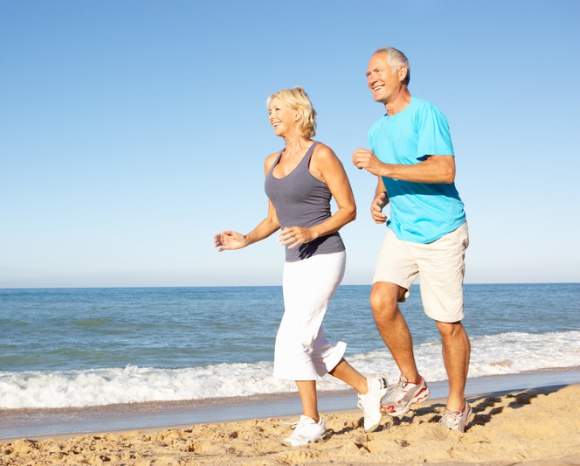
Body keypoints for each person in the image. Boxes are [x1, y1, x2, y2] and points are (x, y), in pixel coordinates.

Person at [215, 87, 388, 446]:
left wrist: (311, 230)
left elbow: (348, 209)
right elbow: (275, 219)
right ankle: (368, 387)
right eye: (269, 112)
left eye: (277, 109)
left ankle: (311, 421)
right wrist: (245, 239)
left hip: (325, 255)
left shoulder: (321, 154)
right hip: (293, 261)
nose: (271, 116)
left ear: (297, 112)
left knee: (292, 338)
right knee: (310, 340)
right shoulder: (271, 162)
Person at [352, 48, 472, 432]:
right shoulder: (377, 129)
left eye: (377, 70)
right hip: (402, 230)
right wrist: (379, 194)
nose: (370, 78)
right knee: (380, 300)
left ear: (401, 72)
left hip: (442, 231)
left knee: (446, 324)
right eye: (367, 73)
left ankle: (457, 404)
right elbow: (385, 171)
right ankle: (413, 381)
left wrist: (381, 167)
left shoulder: (426, 113)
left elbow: (444, 169)